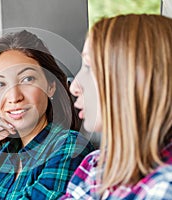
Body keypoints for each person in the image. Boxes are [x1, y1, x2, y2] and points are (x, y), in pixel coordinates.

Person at [0, 30, 94, 199]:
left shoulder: (68, 146)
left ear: (51, 86)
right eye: (0, 84)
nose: (14, 97)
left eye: (27, 79)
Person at [62, 14, 172, 199]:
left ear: (135, 80)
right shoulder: (95, 166)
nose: (74, 87)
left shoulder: (163, 187)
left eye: (89, 67)